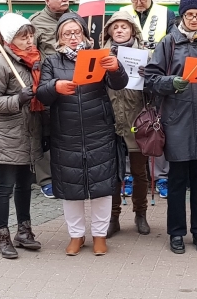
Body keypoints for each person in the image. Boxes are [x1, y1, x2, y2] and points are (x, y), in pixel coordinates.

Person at [36, 13, 128, 256]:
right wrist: (54, 87)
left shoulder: (99, 56)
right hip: (65, 133)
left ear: (86, 35)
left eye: (77, 32)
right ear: (59, 38)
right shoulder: (51, 62)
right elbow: (42, 94)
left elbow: (119, 83)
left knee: (101, 186)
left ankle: (100, 236)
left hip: (99, 129)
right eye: (67, 33)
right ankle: (76, 236)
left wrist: (116, 68)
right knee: (71, 189)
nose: (73, 37)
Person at [145, 0, 197, 255]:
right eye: (190, 14)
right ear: (182, 15)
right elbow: (150, 80)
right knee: (178, 181)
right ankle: (176, 233)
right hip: (177, 120)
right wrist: (171, 82)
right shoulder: (168, 43)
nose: (194, 19)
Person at [0, 13, 44, 259]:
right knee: (4, 187)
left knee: (25, 186)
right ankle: (2, 235)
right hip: (8, 137)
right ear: (10, 40)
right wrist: (17, 99)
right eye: (23, 37)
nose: (30, 41)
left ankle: (24, 230)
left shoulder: (35, 61)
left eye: (31, 35)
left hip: (30, 133)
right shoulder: (1, 64)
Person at [120, 0, 176, 199]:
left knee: (157, 124)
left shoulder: (166, 14)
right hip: (128, 80)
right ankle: (129, 175)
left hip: (156, 76)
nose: (139, 3)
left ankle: (161, 176)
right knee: (129, 125)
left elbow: (173, 44)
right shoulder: (123, 12)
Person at [102, 10, 151, 238]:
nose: (120, 30)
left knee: (140, 172)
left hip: (137, 120)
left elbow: (155, 90)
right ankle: (113, 217)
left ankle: (140, 214)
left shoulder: (145, 55)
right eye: (116, 27)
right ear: (109, 30)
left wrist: (148, 77)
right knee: (113, 173)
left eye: (125, 26)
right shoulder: (100, 55)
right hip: (109, 121)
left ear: (133, 30)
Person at [29, 0, 71, 199]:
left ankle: (65, 174)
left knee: (66, 131)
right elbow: (28, 53)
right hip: (47, 85)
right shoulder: (35, 23)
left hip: (72, 85)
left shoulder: (74, 19)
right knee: (45, 132)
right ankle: (46, 179)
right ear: (47, 0)